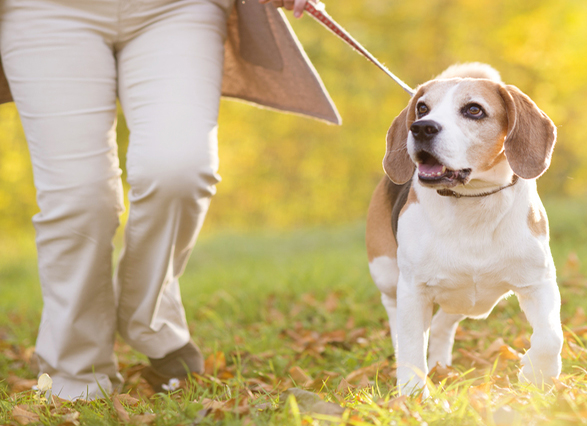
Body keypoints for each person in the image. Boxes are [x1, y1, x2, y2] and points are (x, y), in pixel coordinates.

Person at [0, 0, 339, 400]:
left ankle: (150, 317)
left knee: (180, 169)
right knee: (78, 198)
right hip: (46, 12)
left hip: (177, 8)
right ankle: (74, 373)